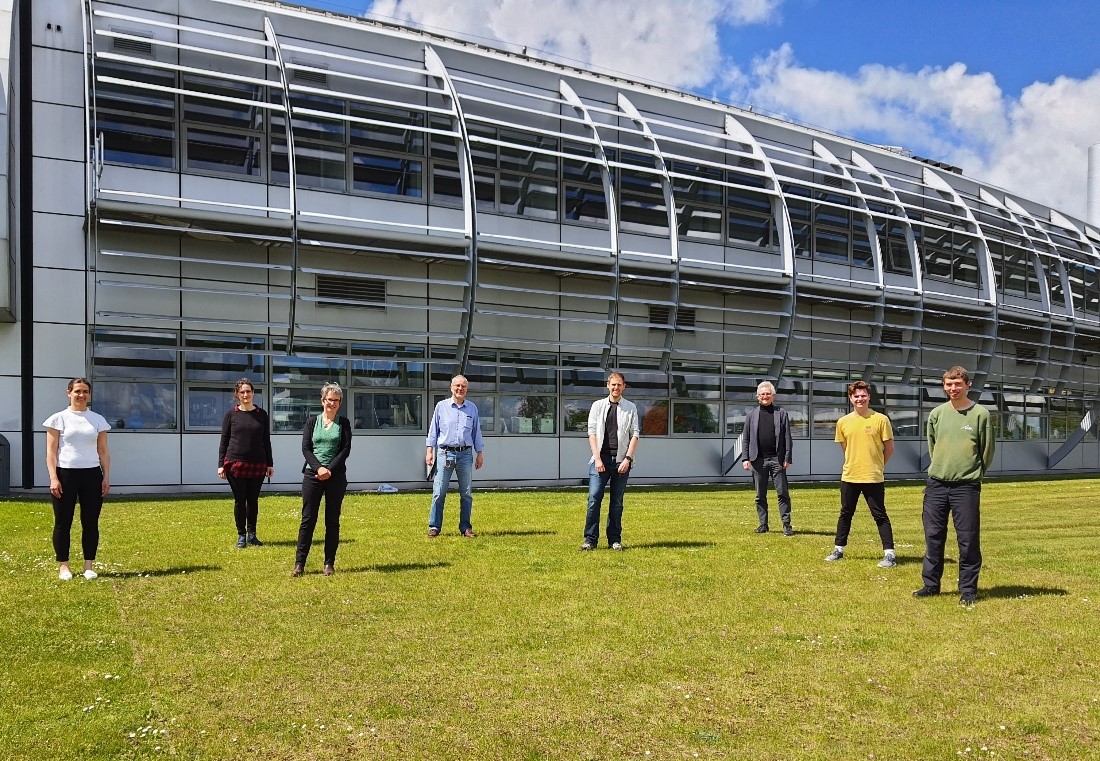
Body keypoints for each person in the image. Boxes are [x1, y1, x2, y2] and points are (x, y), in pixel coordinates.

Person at [914, 366, 995, 607]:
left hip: (966, 487)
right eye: (949, 384)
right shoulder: (937, 414)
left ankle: (968, 590)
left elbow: (987, 451)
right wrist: (941, 468)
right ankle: (931, 585)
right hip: (936, 485)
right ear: (944, 386)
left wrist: (974, 474)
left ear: (968, 385)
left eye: (957, 384)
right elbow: (933, 446)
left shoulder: (980, 414)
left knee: (968, 539)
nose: (953, 388)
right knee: (933, 537)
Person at [43, 378, 112, 581]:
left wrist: (105, 476)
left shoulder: (98, 420)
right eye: (77, 391)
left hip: (91, 475)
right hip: (65, 474)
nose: (81, 395)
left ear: (89, 395)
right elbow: (51, 452)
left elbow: (103, 451)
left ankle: (88, 565)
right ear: (69, 393)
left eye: (85, 392)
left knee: (90, 522)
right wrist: (53, 477)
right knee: (63, 522)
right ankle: (64, 566)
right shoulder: (58, 419)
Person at [825, 380, 897, 567]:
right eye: (856, 396)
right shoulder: (843, 422)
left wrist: (878, 465)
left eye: (863, 395)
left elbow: (889, 448)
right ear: (851, 398)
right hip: (850, 476)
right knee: (845, 514)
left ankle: (890, 555)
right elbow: (845, 448)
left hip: (873, 476)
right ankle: (838, 549)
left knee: (880, 515)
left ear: (869, 397)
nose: (860, 399)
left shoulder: (881, 419)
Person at [293, 383, 352, 577]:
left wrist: (329, 470)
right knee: (308, 519)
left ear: (340, 403)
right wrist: (319, 468)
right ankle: (300, 563)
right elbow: (306, 448)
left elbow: (345, 450)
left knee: (332, 520)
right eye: (329, 400)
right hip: (313, 475)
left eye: (336, 400)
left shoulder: (344, 423)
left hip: (336, 477)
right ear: (322, 401)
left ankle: (329, 563)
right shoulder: (311, 423)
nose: (332, 403)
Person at [581, 372, 640, 551]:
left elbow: (635, 434)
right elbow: (591, 433)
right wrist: (597, 459)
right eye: (613, 385)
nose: (616, 388)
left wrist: (628, 459)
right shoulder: (597, 406)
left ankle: (614, 540)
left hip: (622, 461)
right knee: (594, 499)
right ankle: (590, 540)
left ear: (624, 386)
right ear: (608, 385)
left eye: (619, 385)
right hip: (601, 459)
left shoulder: (630, 408)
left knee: (617, 502)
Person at [425, 375, 485, 537]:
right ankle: (434, 527)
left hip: (465, 455)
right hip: (445, 454)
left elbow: (476, 433)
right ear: (451, 388)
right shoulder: (441, 406)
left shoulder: (472, 408)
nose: (460, 389)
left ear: (467, 389)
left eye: (463, 386)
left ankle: (465, 527)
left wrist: (480, 453)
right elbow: (433, 430)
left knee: (466, 493)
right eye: (457, 386)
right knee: (439, 492)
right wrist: (429, 451)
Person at [217, 378, 274, 548]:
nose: (245, 394)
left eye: (248, 391)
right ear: (237, 394)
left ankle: (253, 535)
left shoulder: (262, 414)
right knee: (240, 501)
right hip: (235, 464)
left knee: (253, 500)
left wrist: (269, 463)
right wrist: (221, 464)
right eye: (242, 392)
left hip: (258, 464)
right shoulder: (231, 415)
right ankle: (241, 535)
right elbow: (224, 441)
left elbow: (266, 440)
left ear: (253, 393)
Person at [740, 381, 794, 535]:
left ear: (773, 396)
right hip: (758, 460)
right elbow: (746, 438)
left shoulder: (781, 413)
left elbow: (787, 438)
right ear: (758, 397)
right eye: (762, 394)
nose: (765, 396)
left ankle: (786, 525)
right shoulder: (751, 415)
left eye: (768, 394)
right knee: (760, 495)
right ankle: (763, 524)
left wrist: (787, 458)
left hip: (777, 460)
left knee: (782, 493)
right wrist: (745, 458)